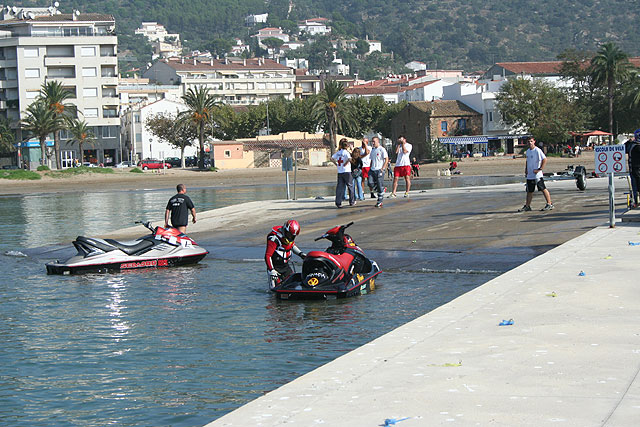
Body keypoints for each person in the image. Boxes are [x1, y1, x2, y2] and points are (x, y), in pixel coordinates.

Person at [265, 220, 306, 288]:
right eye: (289, 235)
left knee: (293, 284)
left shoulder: (289, 239)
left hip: (285, 267)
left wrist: (301, 254)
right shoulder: (274, 238)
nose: (290, 237)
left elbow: (292, 246)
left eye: (292, 236)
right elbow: (268, 256)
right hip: (275, 268)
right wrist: (272, 270)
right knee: (276, 289)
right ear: (285, 230)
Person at [518, 137, 553, 212]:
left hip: (537, 174)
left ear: (534, 142)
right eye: (528, 141)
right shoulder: (527, 151)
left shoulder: (537, 150)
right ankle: (527, 206)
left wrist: (540, 169)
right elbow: (527, 161)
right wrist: (526, 170)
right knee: (529, 190)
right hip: (530, 174)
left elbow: (544, 159)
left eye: (531, 141)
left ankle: (549, 204)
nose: (530, 143)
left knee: (543, 188)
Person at [331, 138, 355, 208]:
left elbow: (331, 158)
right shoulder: (346, 152)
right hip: (347, 171)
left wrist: (336, 164)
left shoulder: (338, 153)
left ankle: (338, 202)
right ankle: (352, 201)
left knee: (339, 187)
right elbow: (350, 159)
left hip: (340, 171)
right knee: (350, 186)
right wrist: (346, 163)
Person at [369, 136, 389, 208]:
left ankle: (379, 201)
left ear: (378, 141)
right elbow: (371, 160)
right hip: (372, 169)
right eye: (372, 142)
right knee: (370, 183)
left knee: (379, 184)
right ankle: (381, 190)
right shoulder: (373, 150)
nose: (373, 143)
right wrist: (370, 168)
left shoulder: (382, 149)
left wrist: (383, 168)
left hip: (379, 169)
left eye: (374, 141)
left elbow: (386, 159)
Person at [626, 130, 640, 208]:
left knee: (636, 186)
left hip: (634, 170)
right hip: (635, 170)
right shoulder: (634, 146)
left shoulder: (632, 145)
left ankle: (636, 201)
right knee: (636, 187)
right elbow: (623, 148)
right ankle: (636, 201)